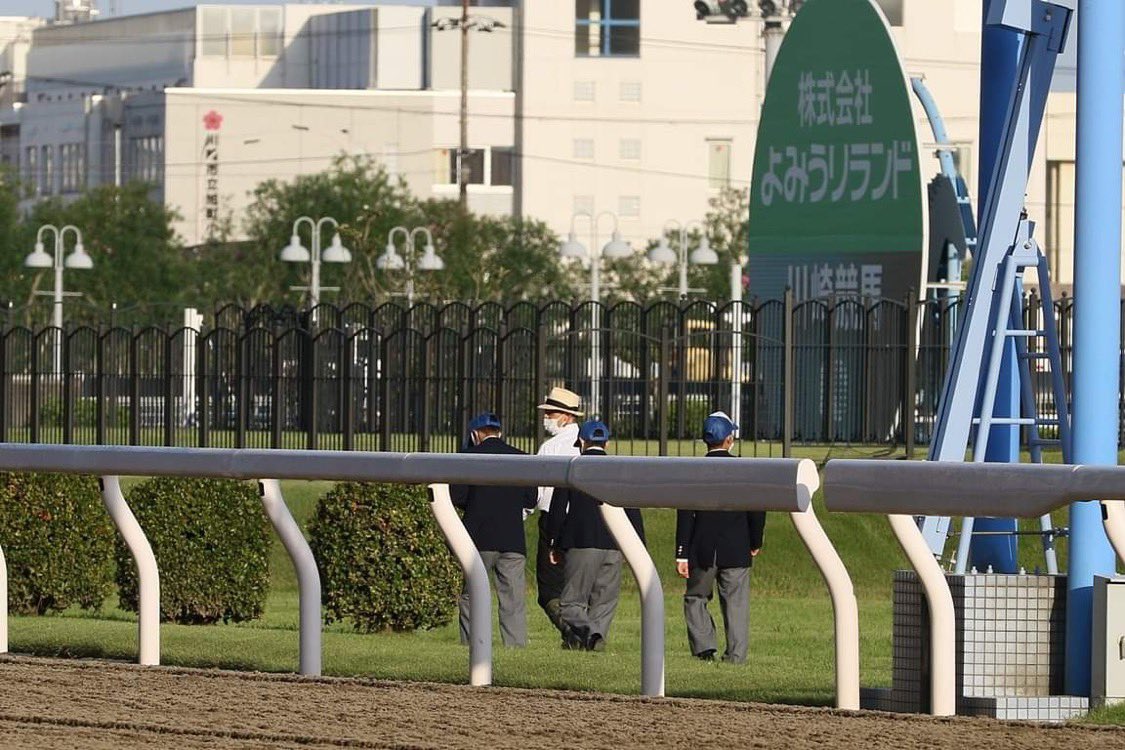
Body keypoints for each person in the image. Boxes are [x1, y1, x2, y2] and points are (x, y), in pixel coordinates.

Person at [546, 419, 644, 651]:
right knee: (605, 600)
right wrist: (638, 546)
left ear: (580, 441)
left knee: (571, 602)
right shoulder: (620, 471)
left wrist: (553, 543)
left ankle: (588, 635)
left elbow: (558, 510)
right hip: (615, 543)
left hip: (581, 542)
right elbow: (633, 510)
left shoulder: (572, 468)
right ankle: (595, 638)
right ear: (607, 443)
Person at [675, 411, 765, 664]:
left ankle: (704, 647)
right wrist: (755, 542)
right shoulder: (746, 470)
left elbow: (684, 514)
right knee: (736, 605)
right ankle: (736, 656)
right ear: (729, 439)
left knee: (695, 598)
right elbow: (757, 510)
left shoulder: (693, 472)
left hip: (701, 547)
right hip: (737, 548)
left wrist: (681, 551)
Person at [450, 412, 537, 647]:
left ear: (476, 434)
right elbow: (531, 498)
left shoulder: (467, 457)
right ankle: (515, 645)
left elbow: (456, 495)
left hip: (478, 537)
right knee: (513, 597)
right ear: (500, 432)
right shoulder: (522, 457)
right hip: (512, 537)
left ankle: (472, 644)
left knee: (472, 596)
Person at [533, 386, 583, 636]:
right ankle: (583, 631)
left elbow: (538, 491)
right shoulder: (584, 445)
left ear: (566, 416)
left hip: (553, 519)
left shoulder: (550, 448)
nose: (547, 418)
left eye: (551, 413)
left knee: (549, 590)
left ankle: (571, 631)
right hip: (581, 520)